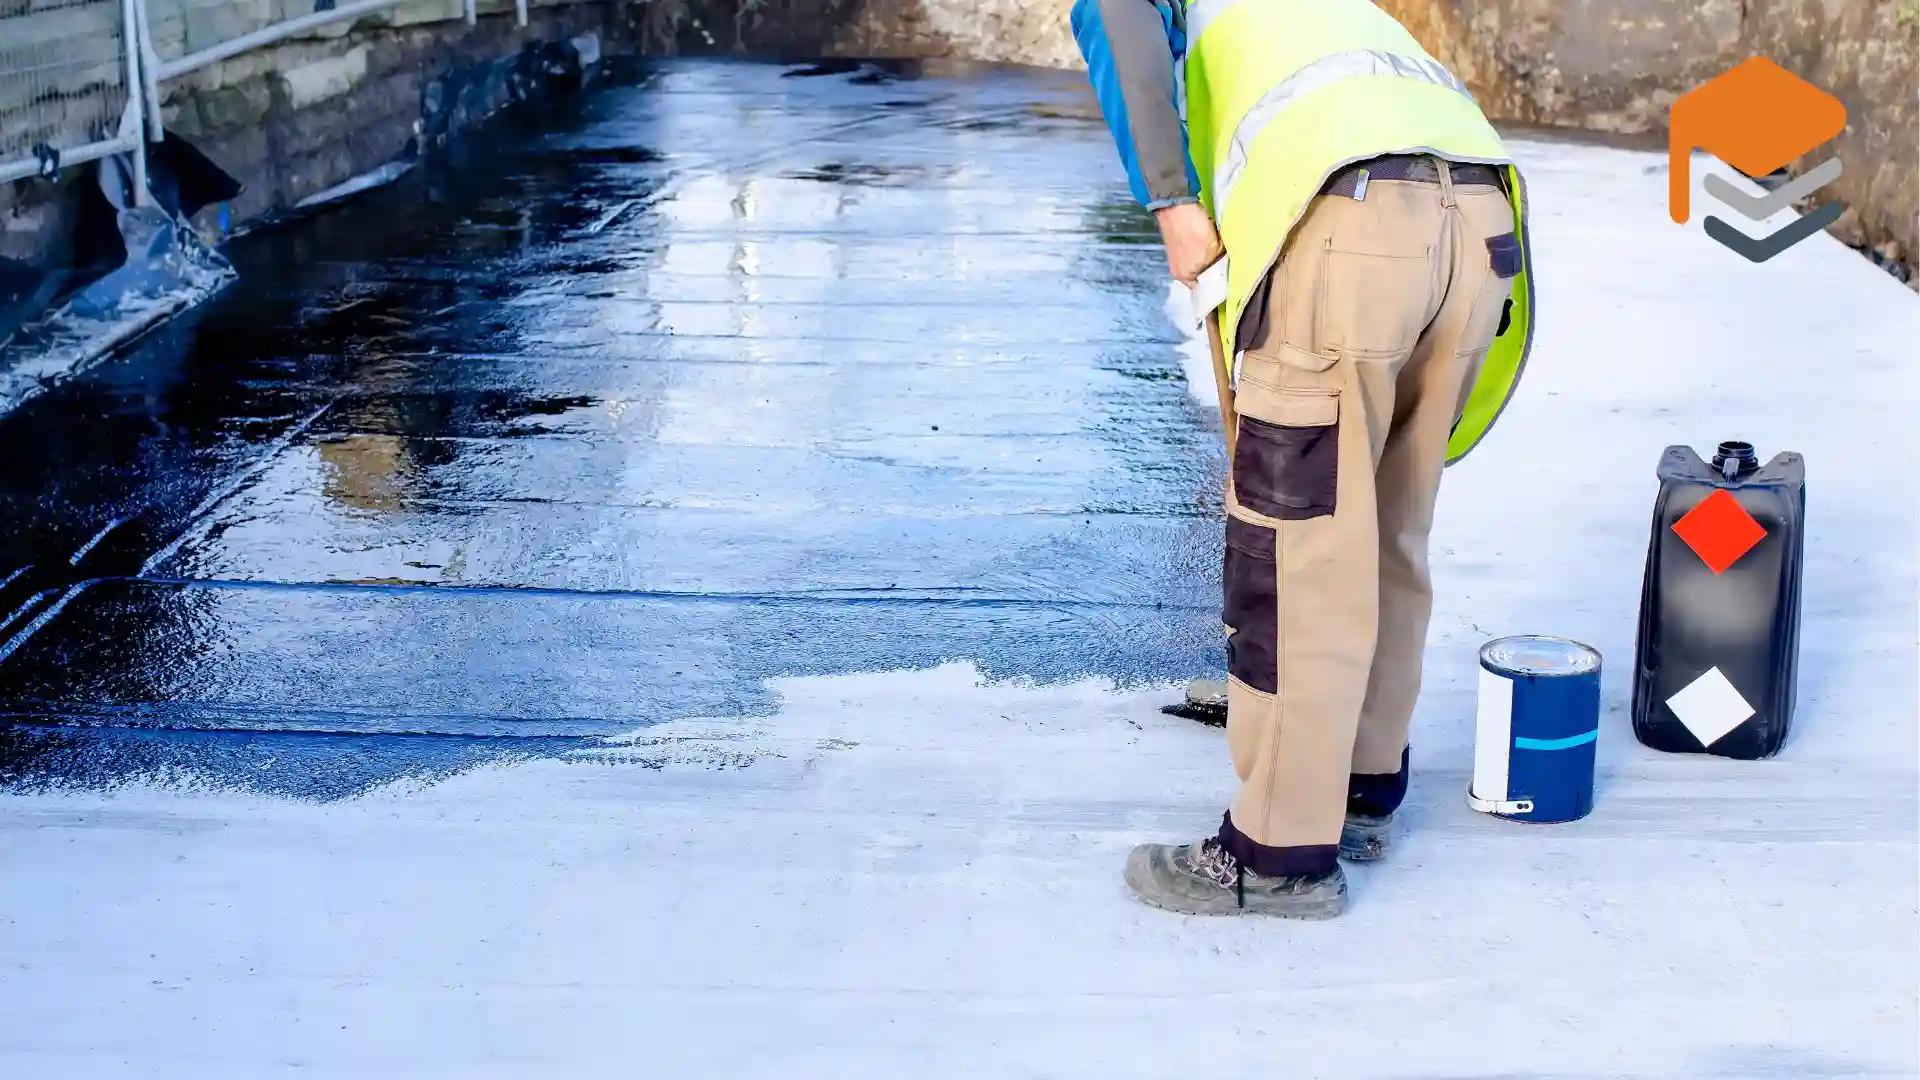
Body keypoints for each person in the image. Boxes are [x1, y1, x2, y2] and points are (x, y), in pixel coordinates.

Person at [1071, 0, 1539, 918]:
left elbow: (1119, 22)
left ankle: (1277, 853)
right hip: (1481, 217)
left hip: (1354, 224)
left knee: (1294, 548)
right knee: (1388, 521)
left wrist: (1172, 203)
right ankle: (1361, 782)